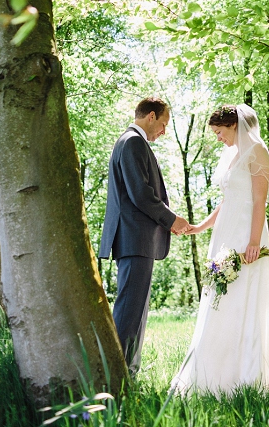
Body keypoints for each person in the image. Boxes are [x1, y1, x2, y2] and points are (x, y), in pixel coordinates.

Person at [170, 104, 269, 394]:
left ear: (234, 125)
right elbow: (227, 201)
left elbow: (258, 201)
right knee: (220, 299)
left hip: (247, 235)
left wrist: (253, 241)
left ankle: (243, 379)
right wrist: (199, 227)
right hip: (225, 235)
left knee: (242, 297)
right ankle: (211, 375)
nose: (218, 138)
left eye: (219, 132)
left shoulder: (258, 151)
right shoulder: (233, 155)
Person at [100, 97, 190, 375]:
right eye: (163, 124)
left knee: (136, 311)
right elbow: (141, 194)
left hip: (136, 240)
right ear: (151, 116)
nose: (163, 131)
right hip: (134, 239)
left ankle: (128, 373)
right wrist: (172, 219)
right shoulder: (132, 142)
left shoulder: (131, 142)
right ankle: (116, 377)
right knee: (129, 312)